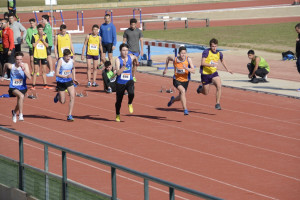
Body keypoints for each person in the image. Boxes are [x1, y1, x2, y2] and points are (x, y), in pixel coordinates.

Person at [196, 38, 232, 110]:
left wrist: (227, 69)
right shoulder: (206, 52)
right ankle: (200, 89)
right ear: (210, 46)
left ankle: (217, 103)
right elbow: (202, 63)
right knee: (206, 93)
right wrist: (211, 65)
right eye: (212, 46)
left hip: (213, 73)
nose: (214, 48)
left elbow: (222, 60)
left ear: (217, 46)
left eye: (215, 46)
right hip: (205, 74)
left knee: (219, 85)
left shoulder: (219, 53)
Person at [163, 46, 195, 115]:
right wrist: (166, 68)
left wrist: (186, 68)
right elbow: (168, 58)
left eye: (184, 53)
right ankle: (185, 109)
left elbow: (193, 70)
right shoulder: (175, 59)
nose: (183, 55)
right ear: (179, 53)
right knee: (183, 91)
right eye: (182, 53)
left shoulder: (188, 59)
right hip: (176, 80)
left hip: (185, 80)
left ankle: (173, 100)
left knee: (181, 96)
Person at [1, 52, 31, 123]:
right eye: (17, 59)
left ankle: (14, 112)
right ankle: (20, 115)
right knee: (21, 96)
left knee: (19, 103)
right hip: (13, 87)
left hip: (23, 87)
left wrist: (24, 70)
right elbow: (5, 65)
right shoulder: (11, 66)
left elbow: (29, 77)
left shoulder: (25, 65)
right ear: (15, 59)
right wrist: (3, 75)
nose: (19, 61)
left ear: (22, 59)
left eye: (20, 59)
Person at [114, 43, 138, 122]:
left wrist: (136, 63)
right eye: (123, 50)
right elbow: (118, 73)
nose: (125, 52)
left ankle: (130, 103)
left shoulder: (131, 57)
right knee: (119, 101)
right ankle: (117, 114)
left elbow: (135, 57)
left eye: (126, 50)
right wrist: (123, 66)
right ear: (120, 51)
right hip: (120, 82)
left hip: (129, 80)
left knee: (131, 93)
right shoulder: (118, 60)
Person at [54, 49, 77, 121]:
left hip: (69, 81)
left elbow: (73, 69)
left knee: (72, 96)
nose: (68, 58)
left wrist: (74, 78)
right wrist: (65, 76)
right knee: (62, 101)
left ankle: (69, 115)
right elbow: (56, 74)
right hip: (61, 81)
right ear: (64, 56)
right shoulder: (60, 61)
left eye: (69, 56)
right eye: (67, 57)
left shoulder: (72, 61)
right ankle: (58, 95)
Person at [31, 24, 52, 90]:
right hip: (36, 55)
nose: (41, 31)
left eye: (42, 29)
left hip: (43, 55)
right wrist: (39, 39)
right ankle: (33, 85)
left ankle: (45, 85)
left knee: (44, 71)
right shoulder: (34, 36)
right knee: (35, 71)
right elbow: (34, 45)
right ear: (37, 29)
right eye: (40, 29)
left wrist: (42, 39)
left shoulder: (45, 36)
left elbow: (47, 45)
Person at [123, 18, 143, 82]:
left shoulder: (139, 31)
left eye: (134, 25)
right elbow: (124, 41)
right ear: (130, 24)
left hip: (136, 50)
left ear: (136, 24)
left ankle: (133, 76)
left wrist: (142, 50)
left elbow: (141, 40)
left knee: (135, 63)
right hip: (129, 50)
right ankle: (128, 75)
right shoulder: (127, 31)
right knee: (129, 63)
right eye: (131, 25)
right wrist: (122, 49)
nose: (133, 26)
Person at [295, 23, 300, 91]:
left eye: (297, 30)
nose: (296, 31)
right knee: (298, 67)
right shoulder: (299, 35)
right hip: (299, 55)